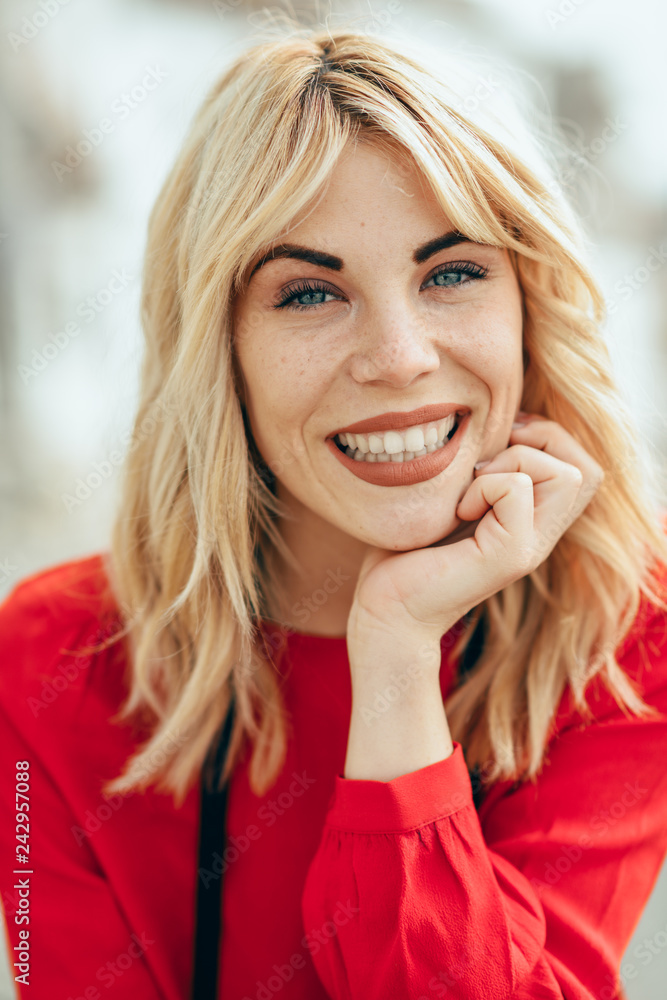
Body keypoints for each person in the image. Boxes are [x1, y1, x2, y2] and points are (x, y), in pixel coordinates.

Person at [1, 18, 667, 1000]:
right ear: (218, 346)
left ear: (528, 303)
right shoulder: (45, 662)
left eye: (451, 272)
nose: (398, 356)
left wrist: (394, 650)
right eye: (310, 293)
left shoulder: (623, 640)